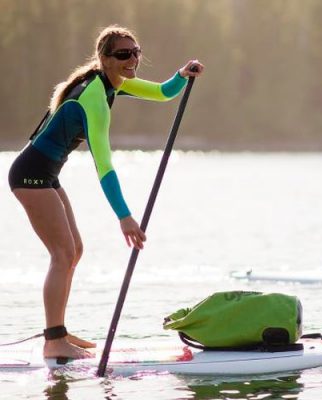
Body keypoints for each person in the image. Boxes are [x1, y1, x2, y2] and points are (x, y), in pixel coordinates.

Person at [7, 25, 204, 359]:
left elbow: (163, 93)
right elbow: (104, 165)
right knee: (62, 254)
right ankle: (53, 340)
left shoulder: (113, 82)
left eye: (136, 52)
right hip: (30, 175)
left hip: (45, 174)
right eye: (123, 55)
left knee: (74, 250)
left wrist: (182, 75)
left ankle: (59, 330)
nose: (132, 60)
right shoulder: (93, 97)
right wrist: (124, 217)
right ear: (104, 59)